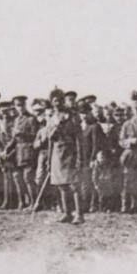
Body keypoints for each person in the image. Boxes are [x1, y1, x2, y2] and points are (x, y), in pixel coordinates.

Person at [45, 93, 84, 224]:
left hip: (70, 151)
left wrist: (80, 157)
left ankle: (79, 214)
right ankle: (66, 213)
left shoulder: (72, 116)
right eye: (54, 100)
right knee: (61, 185)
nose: (57, 102)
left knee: (73, 184)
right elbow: (50, 140)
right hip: (57, 152)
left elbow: (78, 137)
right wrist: (49, 159)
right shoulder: (51, 118)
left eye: (60, 100)